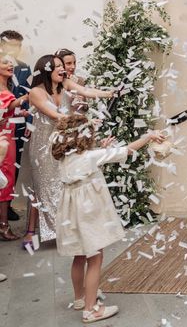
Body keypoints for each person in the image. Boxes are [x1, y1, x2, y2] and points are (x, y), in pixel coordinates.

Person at [51, 113, 165, 323]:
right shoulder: (90, 156)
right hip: (89, 212)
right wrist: (148, 136)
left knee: (79, 255)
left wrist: (101, 149)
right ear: (83, 137)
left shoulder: (67, 158)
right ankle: (91, 309)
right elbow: (128, 149)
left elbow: (86, 166)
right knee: (95, 257)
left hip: (71, 213)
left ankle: (80, 298)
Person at [23, 54, 113, 250]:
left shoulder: (66, 85)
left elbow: (86, 91)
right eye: (57, 67)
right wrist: (86, 123)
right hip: (42, 148)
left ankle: (68, 229)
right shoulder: (36, 92)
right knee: (46, 186)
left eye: (62, 66)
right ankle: (59, 230)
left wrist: (109, 93)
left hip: (63, 143)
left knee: (63, 183)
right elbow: (56, 116)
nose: (62, 69)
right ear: (47, 70)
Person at [0, 30, 32, 221]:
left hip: (17, 124)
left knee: (13, 166)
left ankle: (7, 206)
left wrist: (28, 121)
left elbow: (29, 95)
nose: (15, 49)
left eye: (18, 45)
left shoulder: (24, 68)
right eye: (10, 45)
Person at [55, 48, 88, 112]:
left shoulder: (80, 81)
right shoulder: (52, 82)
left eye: (74, 63)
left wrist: (83, 104)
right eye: (68, 63)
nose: (73, 67)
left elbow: (85, 109)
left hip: (77, 119)